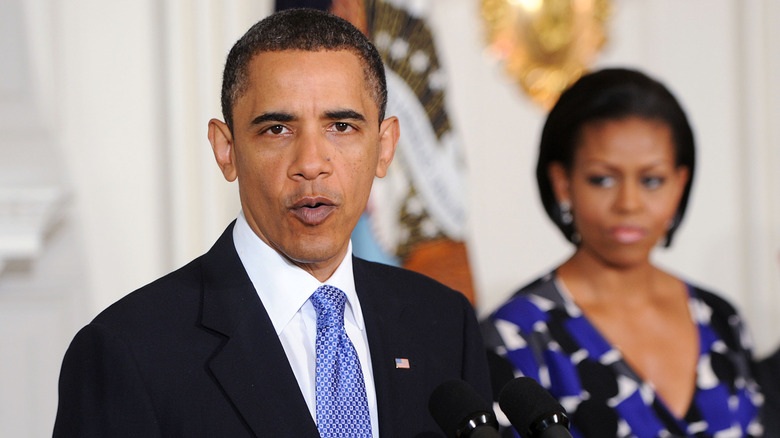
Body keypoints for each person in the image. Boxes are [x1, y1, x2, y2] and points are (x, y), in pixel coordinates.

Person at [53, 8, 491, 437]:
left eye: (341, 126)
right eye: (277, 130)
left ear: (385, 146)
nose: (311, 163)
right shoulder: (129, 351)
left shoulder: (444, 324)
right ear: (226, 150)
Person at [481, 68, 763, 437]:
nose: (629, 203)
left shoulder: (721, 319)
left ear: (679, 185)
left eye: (651, 180)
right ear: (563, 183)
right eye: (603, 179)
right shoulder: (516, 335)